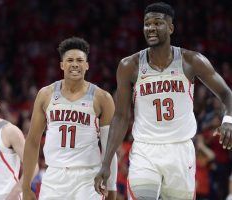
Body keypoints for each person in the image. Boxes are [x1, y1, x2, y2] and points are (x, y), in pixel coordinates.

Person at [94, 2, 232, 200]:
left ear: (170, 28)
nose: (151, 28)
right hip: (145, 150)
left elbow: (227, 94)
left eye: (157, 23)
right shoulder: (129, 66)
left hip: (180, 150)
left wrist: (228, 120)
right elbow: (121, 117)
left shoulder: (191, 61)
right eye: (147, 23)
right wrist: (106, 163)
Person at [22, 37, 118, 200]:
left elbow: (110, 147)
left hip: (88, 178)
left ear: (87, 65)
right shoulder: (46, 94)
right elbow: (32, 141)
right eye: (70, 60)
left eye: (80, 60)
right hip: (54, 175)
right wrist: (26, 186)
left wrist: (112, 187)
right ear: (62, 65)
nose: (75, 64)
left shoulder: (102, 98)